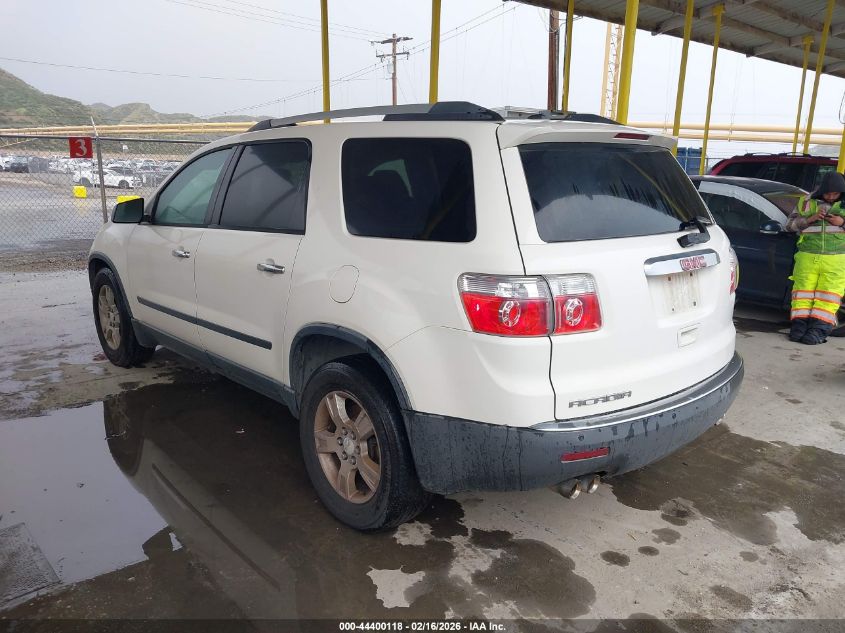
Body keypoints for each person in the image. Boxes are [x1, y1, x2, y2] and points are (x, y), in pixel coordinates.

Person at [785, 171, 845, 344]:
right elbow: (789, 226)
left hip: (836, 260)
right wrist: (809, 219)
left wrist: (842, 223)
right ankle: (798, 329)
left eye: (836, 194)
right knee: (802, 295)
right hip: (807, 258)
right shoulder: (806, 201)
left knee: (828, 297)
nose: (832, 197)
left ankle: (817, 332)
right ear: (821, 190)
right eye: (828, 193)